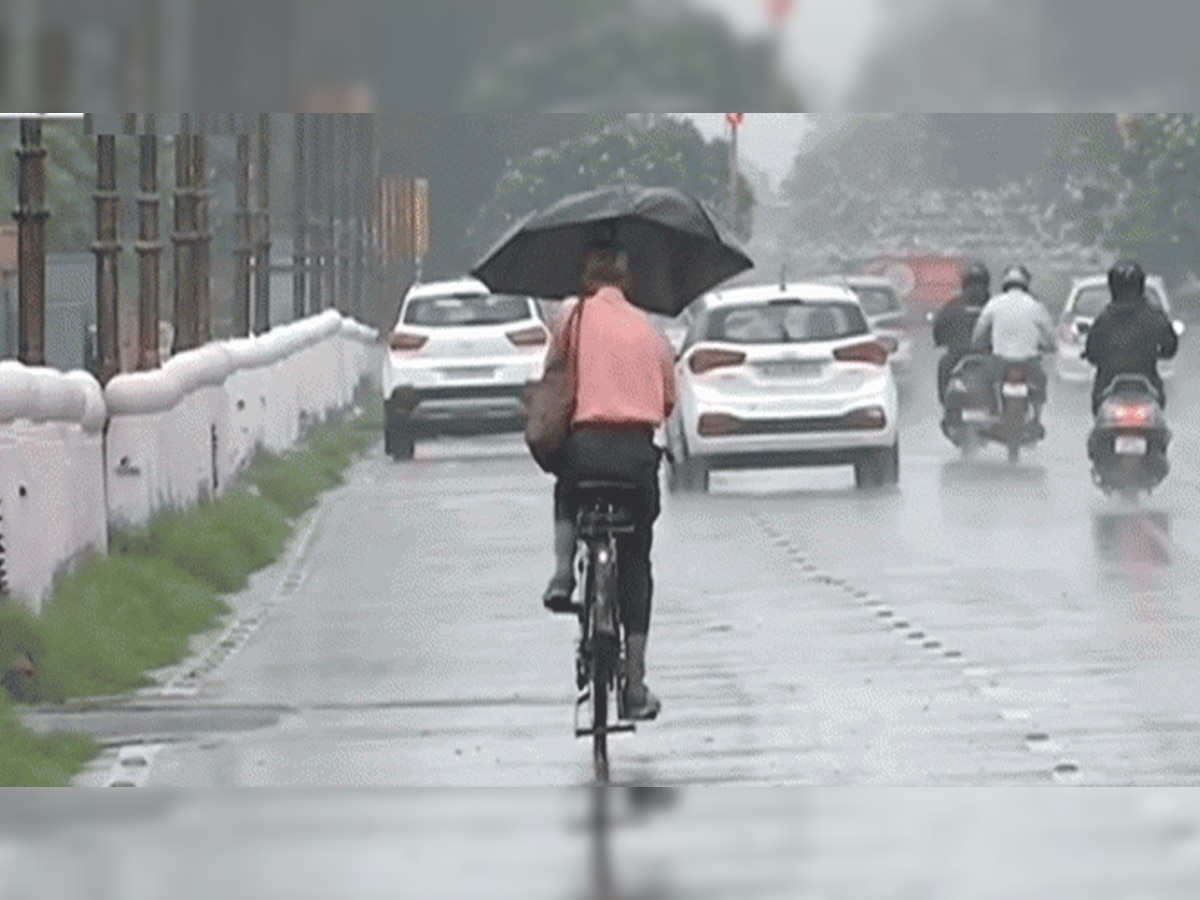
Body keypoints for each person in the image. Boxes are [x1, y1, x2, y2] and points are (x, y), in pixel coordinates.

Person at [541, 247, 676, 721]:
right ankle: (635, 686)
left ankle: (563, 573)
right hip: (636, 459)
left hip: (586, 452)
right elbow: (668, 401)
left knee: (566, 485)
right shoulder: (651, 330)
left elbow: (554, 373)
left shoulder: (571, 317)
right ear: (628, 281)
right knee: (636, 559)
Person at [1083, 259, 1178, 416]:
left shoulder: (1104, 318)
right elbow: (1170, 348)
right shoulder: (1155, 316)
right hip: (1147, 380)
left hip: (1108, 382)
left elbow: (1092, 352)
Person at [970, 264, 1056, 427]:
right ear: (1025, 284)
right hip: (1028, 362)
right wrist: (1050, 347)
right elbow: (1049, 336)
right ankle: (1036, 418)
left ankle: (992, 412)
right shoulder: (1035, 305)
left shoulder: (994, 303)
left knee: (986, 382)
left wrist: (977, 345)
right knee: (1039, 384)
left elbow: (979, 330)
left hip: (999, 361)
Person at [933, 261, 991, 413]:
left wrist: (941, 341)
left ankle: (945, 406)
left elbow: (939, 327)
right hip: (988, 354)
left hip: (960, 354)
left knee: (943, 365)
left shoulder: (953, 304)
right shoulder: (995, 304)